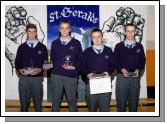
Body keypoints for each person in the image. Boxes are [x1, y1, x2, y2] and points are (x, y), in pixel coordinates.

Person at [50, 19, 83, 112]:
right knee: (55, 104)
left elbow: (81, 61)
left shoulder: (76, 43)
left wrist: (74, 67)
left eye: (66, 28)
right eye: (62, 28)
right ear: (59, 29)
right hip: (56, 76)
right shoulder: (54, 43)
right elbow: (53, 58)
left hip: (71, 77)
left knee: (72, 104)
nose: (64, 30)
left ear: (70, 30)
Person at [15, 23, 48, 112]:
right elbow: (17, 62)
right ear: (26, 32)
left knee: (38, 105)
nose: (32, 34)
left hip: (37, 79)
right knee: (24, 105)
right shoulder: (21, 47)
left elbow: (46, 64)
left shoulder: (43, 47)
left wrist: (40, 69)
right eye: (29, 31)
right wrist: (20, 69)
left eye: (33, 31)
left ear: (36, 32)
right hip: (24, 79)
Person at [114, 23, 146, 112]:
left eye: (132, 31)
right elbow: (115, 61)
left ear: (135, 32)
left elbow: (143, 60)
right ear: (124, 32)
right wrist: (122, 69)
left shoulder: (139, 46)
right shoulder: (119, 46)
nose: (130, 33)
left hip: (135, 77)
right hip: (122, 77)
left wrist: (138, 69)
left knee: (134, 104)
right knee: (121, 104)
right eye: (128, 31)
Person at [82, 28, 114, 112]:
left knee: (105, 110)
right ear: (91, 39)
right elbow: (82, 66)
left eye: (99, 36)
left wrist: (109, 71)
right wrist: (87, 74)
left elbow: (113, 65)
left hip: (105, 84)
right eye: (94, 37)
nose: (96, 39)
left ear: (102, 37)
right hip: (91, 83)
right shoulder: (86, 52)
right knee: (92, 110)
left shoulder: (109, 50)